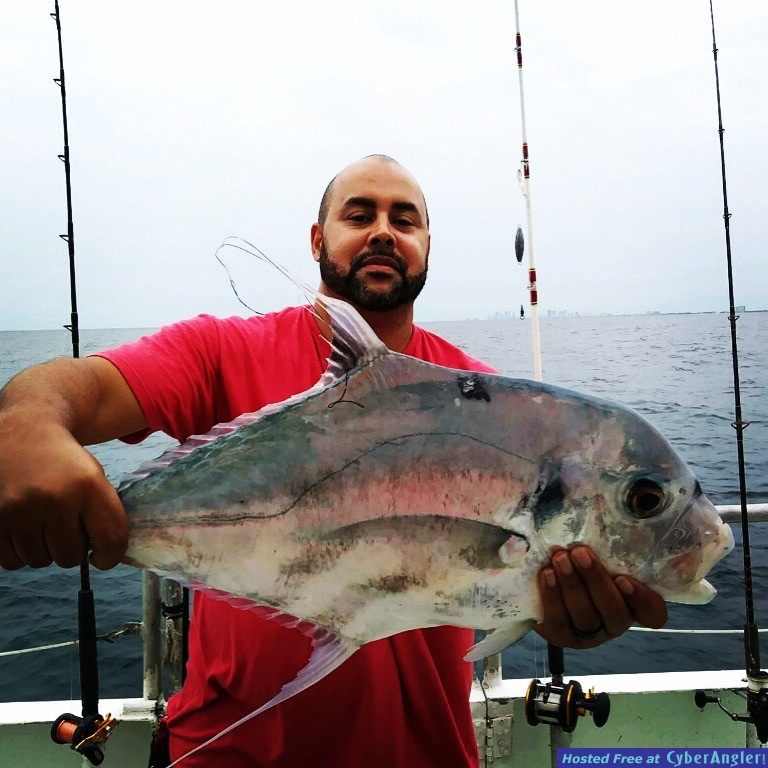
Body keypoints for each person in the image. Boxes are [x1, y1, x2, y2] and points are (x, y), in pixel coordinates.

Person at [0, 154, 667, 766]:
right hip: (227, 754)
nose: (383, 231)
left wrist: (556, 612)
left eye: (405, 220)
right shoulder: (221, 352)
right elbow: (72, 390)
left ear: (428, 248)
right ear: (318, 242)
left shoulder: (496, 408)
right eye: (359, 215)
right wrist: (27, 424)